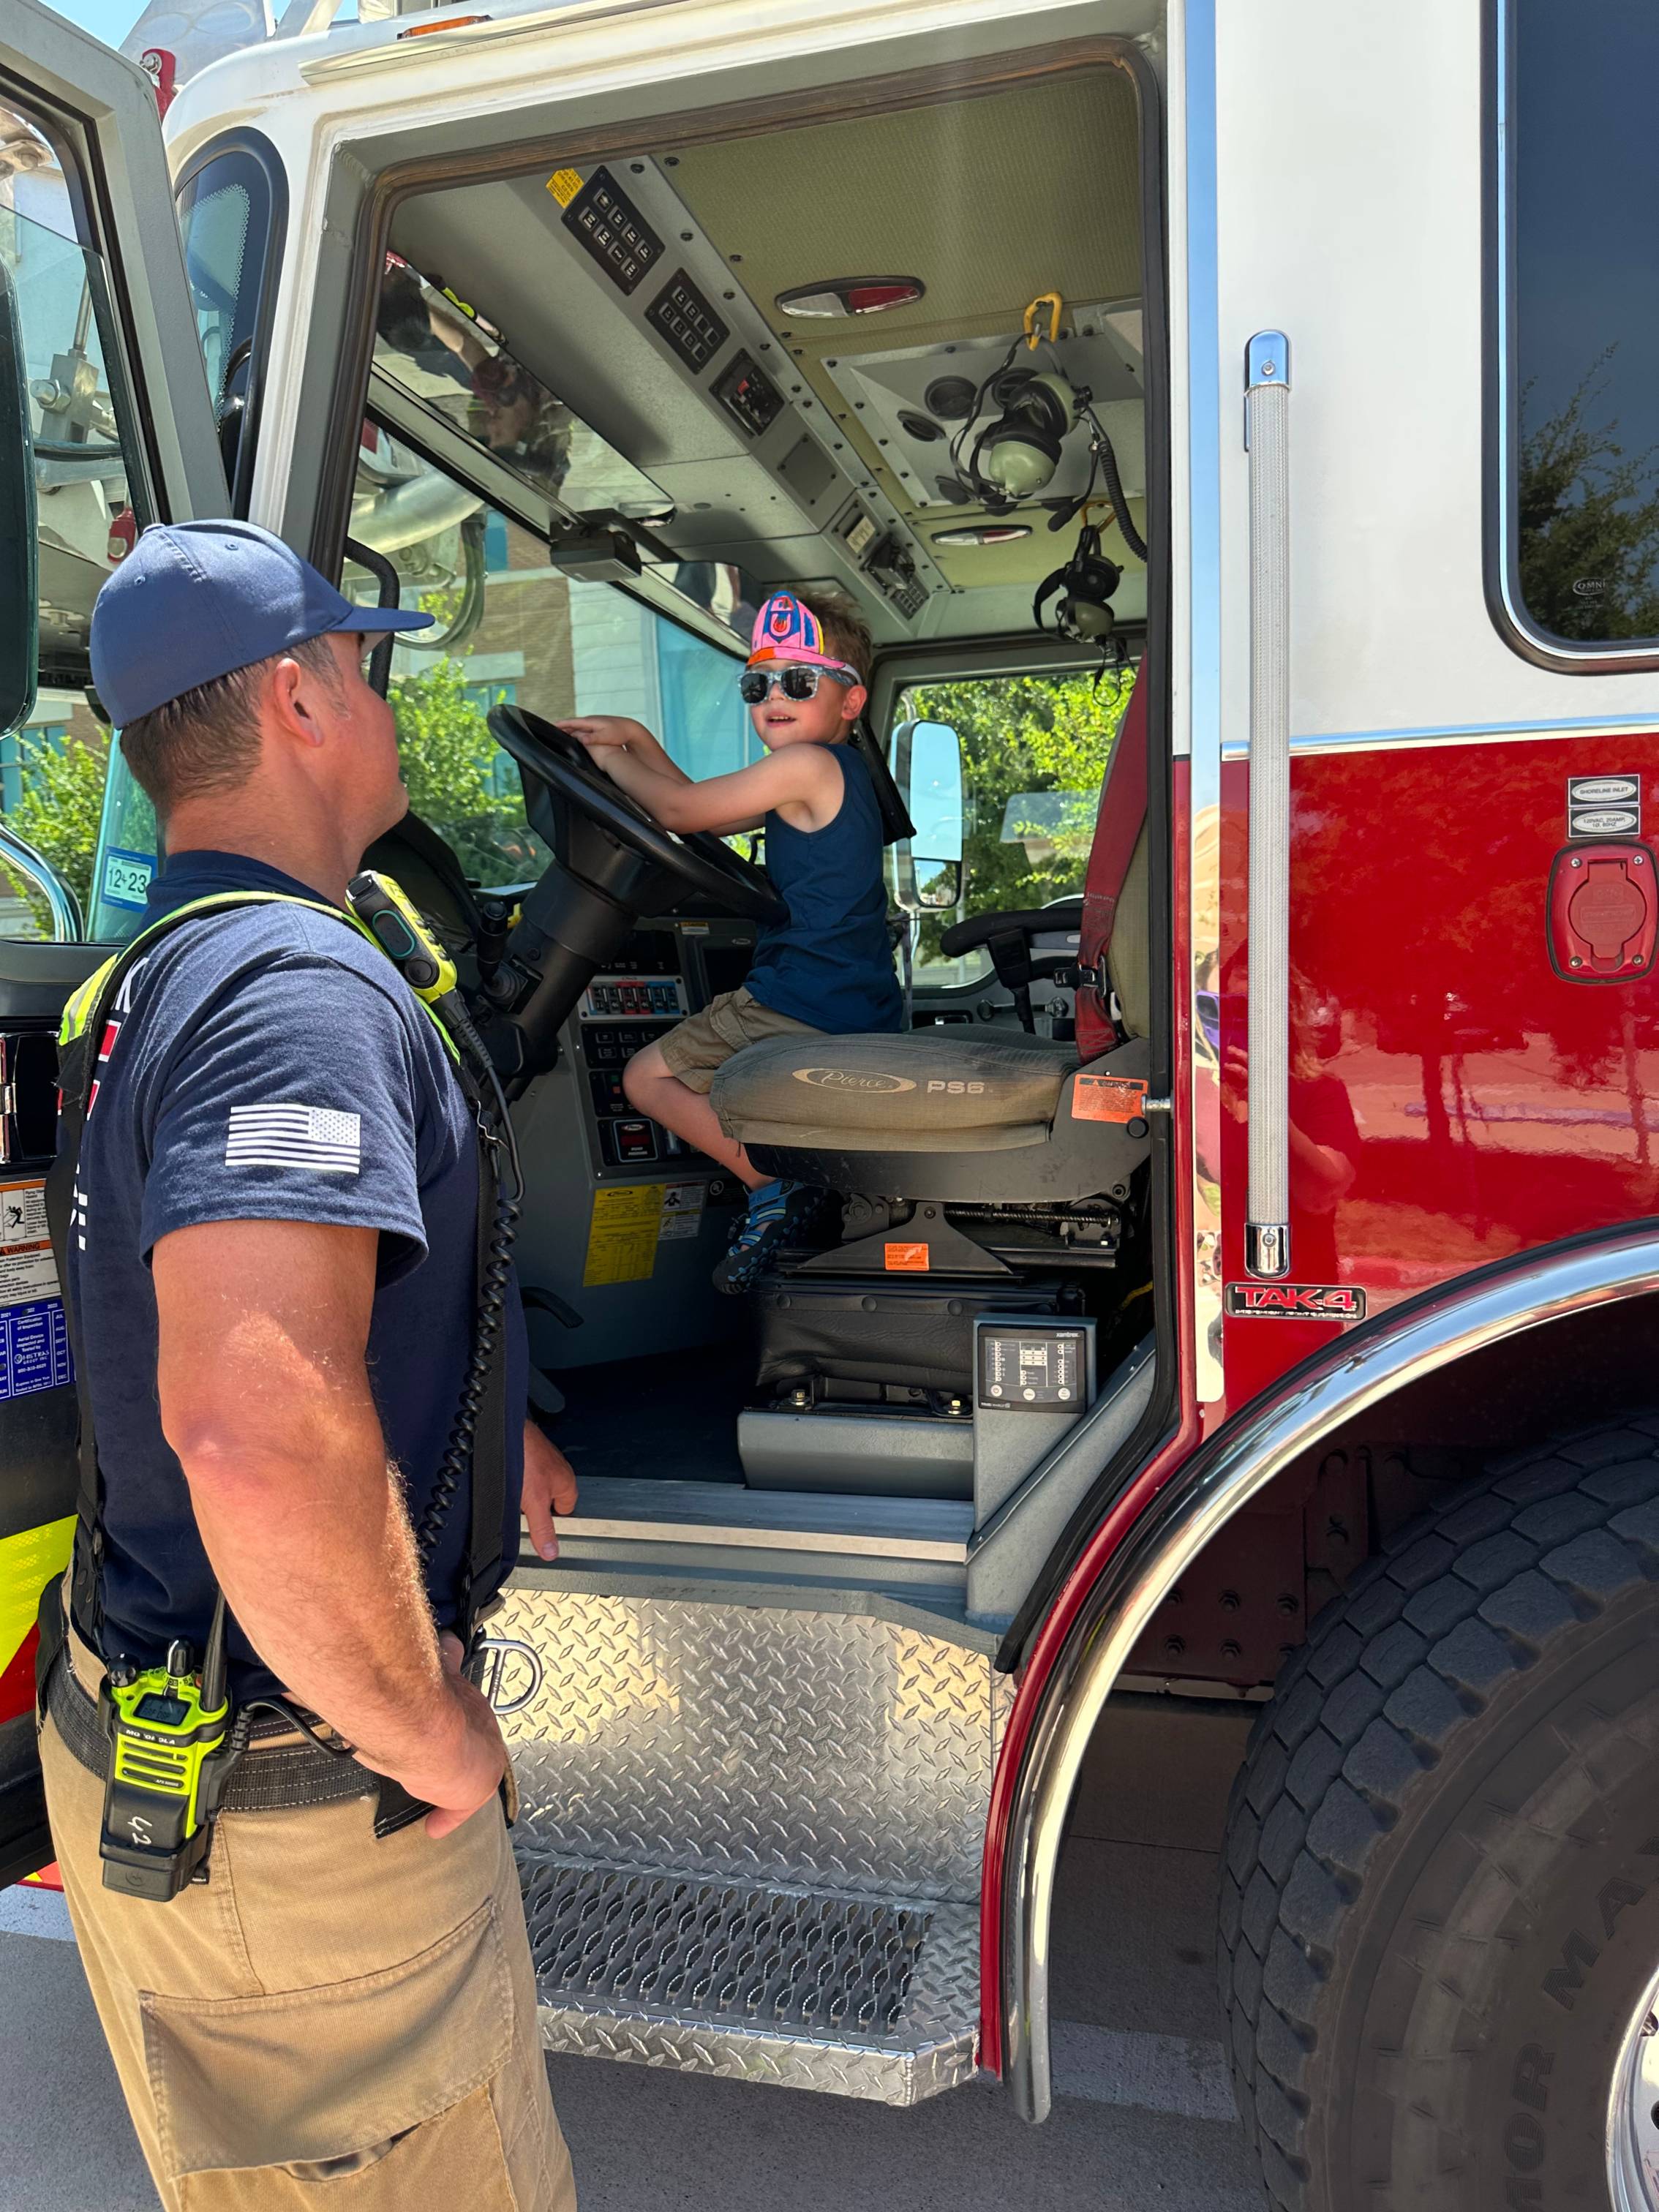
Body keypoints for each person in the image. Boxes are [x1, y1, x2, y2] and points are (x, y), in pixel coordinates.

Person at [37, 519, 579, 2211]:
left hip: (163, 1730)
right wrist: (427, 1733)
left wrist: (494, 1436)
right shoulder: (293, 996)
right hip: (296, 1797)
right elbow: (256, 1428)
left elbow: (250, 1334)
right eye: (365, 663)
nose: (388, 701)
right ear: (295, 698)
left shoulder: (153, 980)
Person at [563, 588, 902, 1290]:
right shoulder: (833, 774)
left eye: (799, 682)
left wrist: (608, 764)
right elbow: (705, 816)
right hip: (849, 1001)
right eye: (758, 684)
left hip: (796, 999)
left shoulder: (806, 766)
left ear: (851, 701)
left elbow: (681, 811)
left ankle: (773, 1184)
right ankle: (796, 1182)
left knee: (645, 1076)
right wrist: (636, 737)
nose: (773, 696)